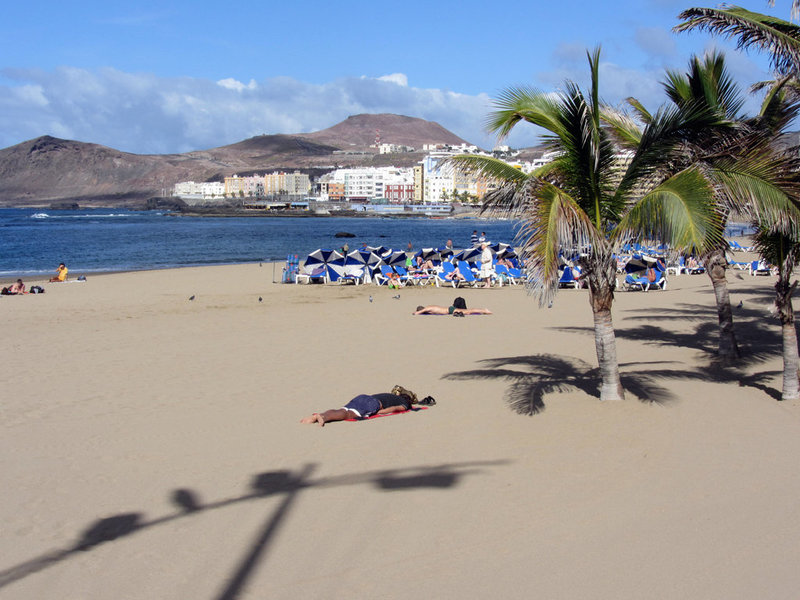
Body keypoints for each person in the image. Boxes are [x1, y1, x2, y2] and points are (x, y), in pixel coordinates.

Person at [300, 385, 419, 427]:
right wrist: (379, 412)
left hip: (363, 397)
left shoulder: (390, 395)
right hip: (372, 404)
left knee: (342, 409)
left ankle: (322, 415)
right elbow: (395, 409)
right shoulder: (404, 403)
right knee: (348, 414)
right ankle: (322, 417)